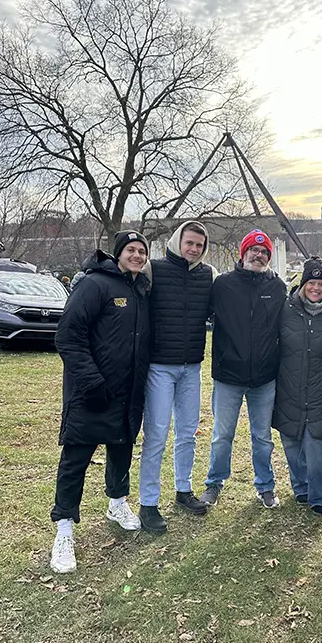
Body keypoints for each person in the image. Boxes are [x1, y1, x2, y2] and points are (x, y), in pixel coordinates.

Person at [50, 231, 151, 574]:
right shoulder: (95, 285)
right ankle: (64, 529)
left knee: (121, 448)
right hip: (92, 392)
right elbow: (68, 334)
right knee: (76, 459)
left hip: (127, 394)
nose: (137, 255)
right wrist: (91, 381)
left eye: (142, 251)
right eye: (131, 250)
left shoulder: (140, 290)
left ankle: (117, 503)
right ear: (118, 254)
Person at [200, 229, 286, 509]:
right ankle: (214, 482)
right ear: (243, 252)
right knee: (222, 435)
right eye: (254, 250)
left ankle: (265, 485)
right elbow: (197, 311)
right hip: (228, 376)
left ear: (268, 257)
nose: (258, 255)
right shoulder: (223, 284)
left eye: (264, 252)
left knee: (262, 436)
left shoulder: (277, 287)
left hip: (264, 378)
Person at [138, 221, 214, 534]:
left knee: (187, 432)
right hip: (159, 366)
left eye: (199, 244)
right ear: (177, 241)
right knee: (156, 434)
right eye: (190, 243)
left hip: (191, 367)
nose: (194, 249)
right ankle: (148, 502)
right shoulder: (153, 270)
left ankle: (183, 490)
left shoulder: (208, 275)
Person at [272, 257, 322, 515]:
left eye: (320, 283)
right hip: (287, 384)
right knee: (290, 439)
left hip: (317, 387)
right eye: (311, 282)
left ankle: (320, 495)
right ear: (303, 284)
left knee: (315, 442)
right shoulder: (286, 308)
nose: (315, 288)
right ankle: (300, 487)